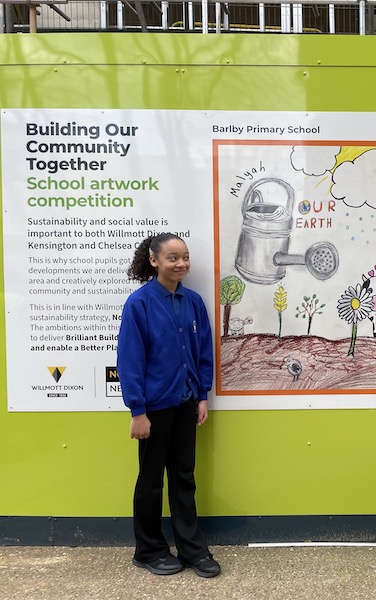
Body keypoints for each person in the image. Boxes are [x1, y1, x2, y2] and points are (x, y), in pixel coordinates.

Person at [117, 233, 220, 578]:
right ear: (154, 261)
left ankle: (192, 549)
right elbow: (130, 360)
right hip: (153, 409)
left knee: (184, 476)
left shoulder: (193, 302)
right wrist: (138, 412)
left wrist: (202, 395)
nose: (181, 264)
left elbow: (203, 352)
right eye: (173, 257)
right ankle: (148, 550)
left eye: (185, 257)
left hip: (186, 403)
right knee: (150, 480)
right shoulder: (139, 304)